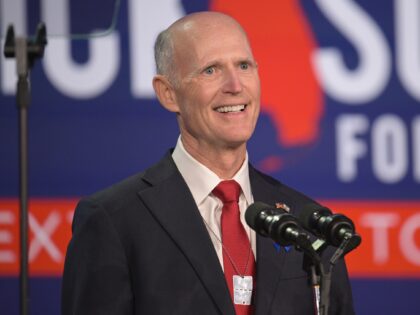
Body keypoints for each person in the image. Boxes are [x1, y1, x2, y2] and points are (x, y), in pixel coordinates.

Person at [61, 11, 355, 315]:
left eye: (243, 66)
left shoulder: (309, 225)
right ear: (168, 93)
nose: (235, 85)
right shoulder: (113, 221)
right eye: (211, 70)